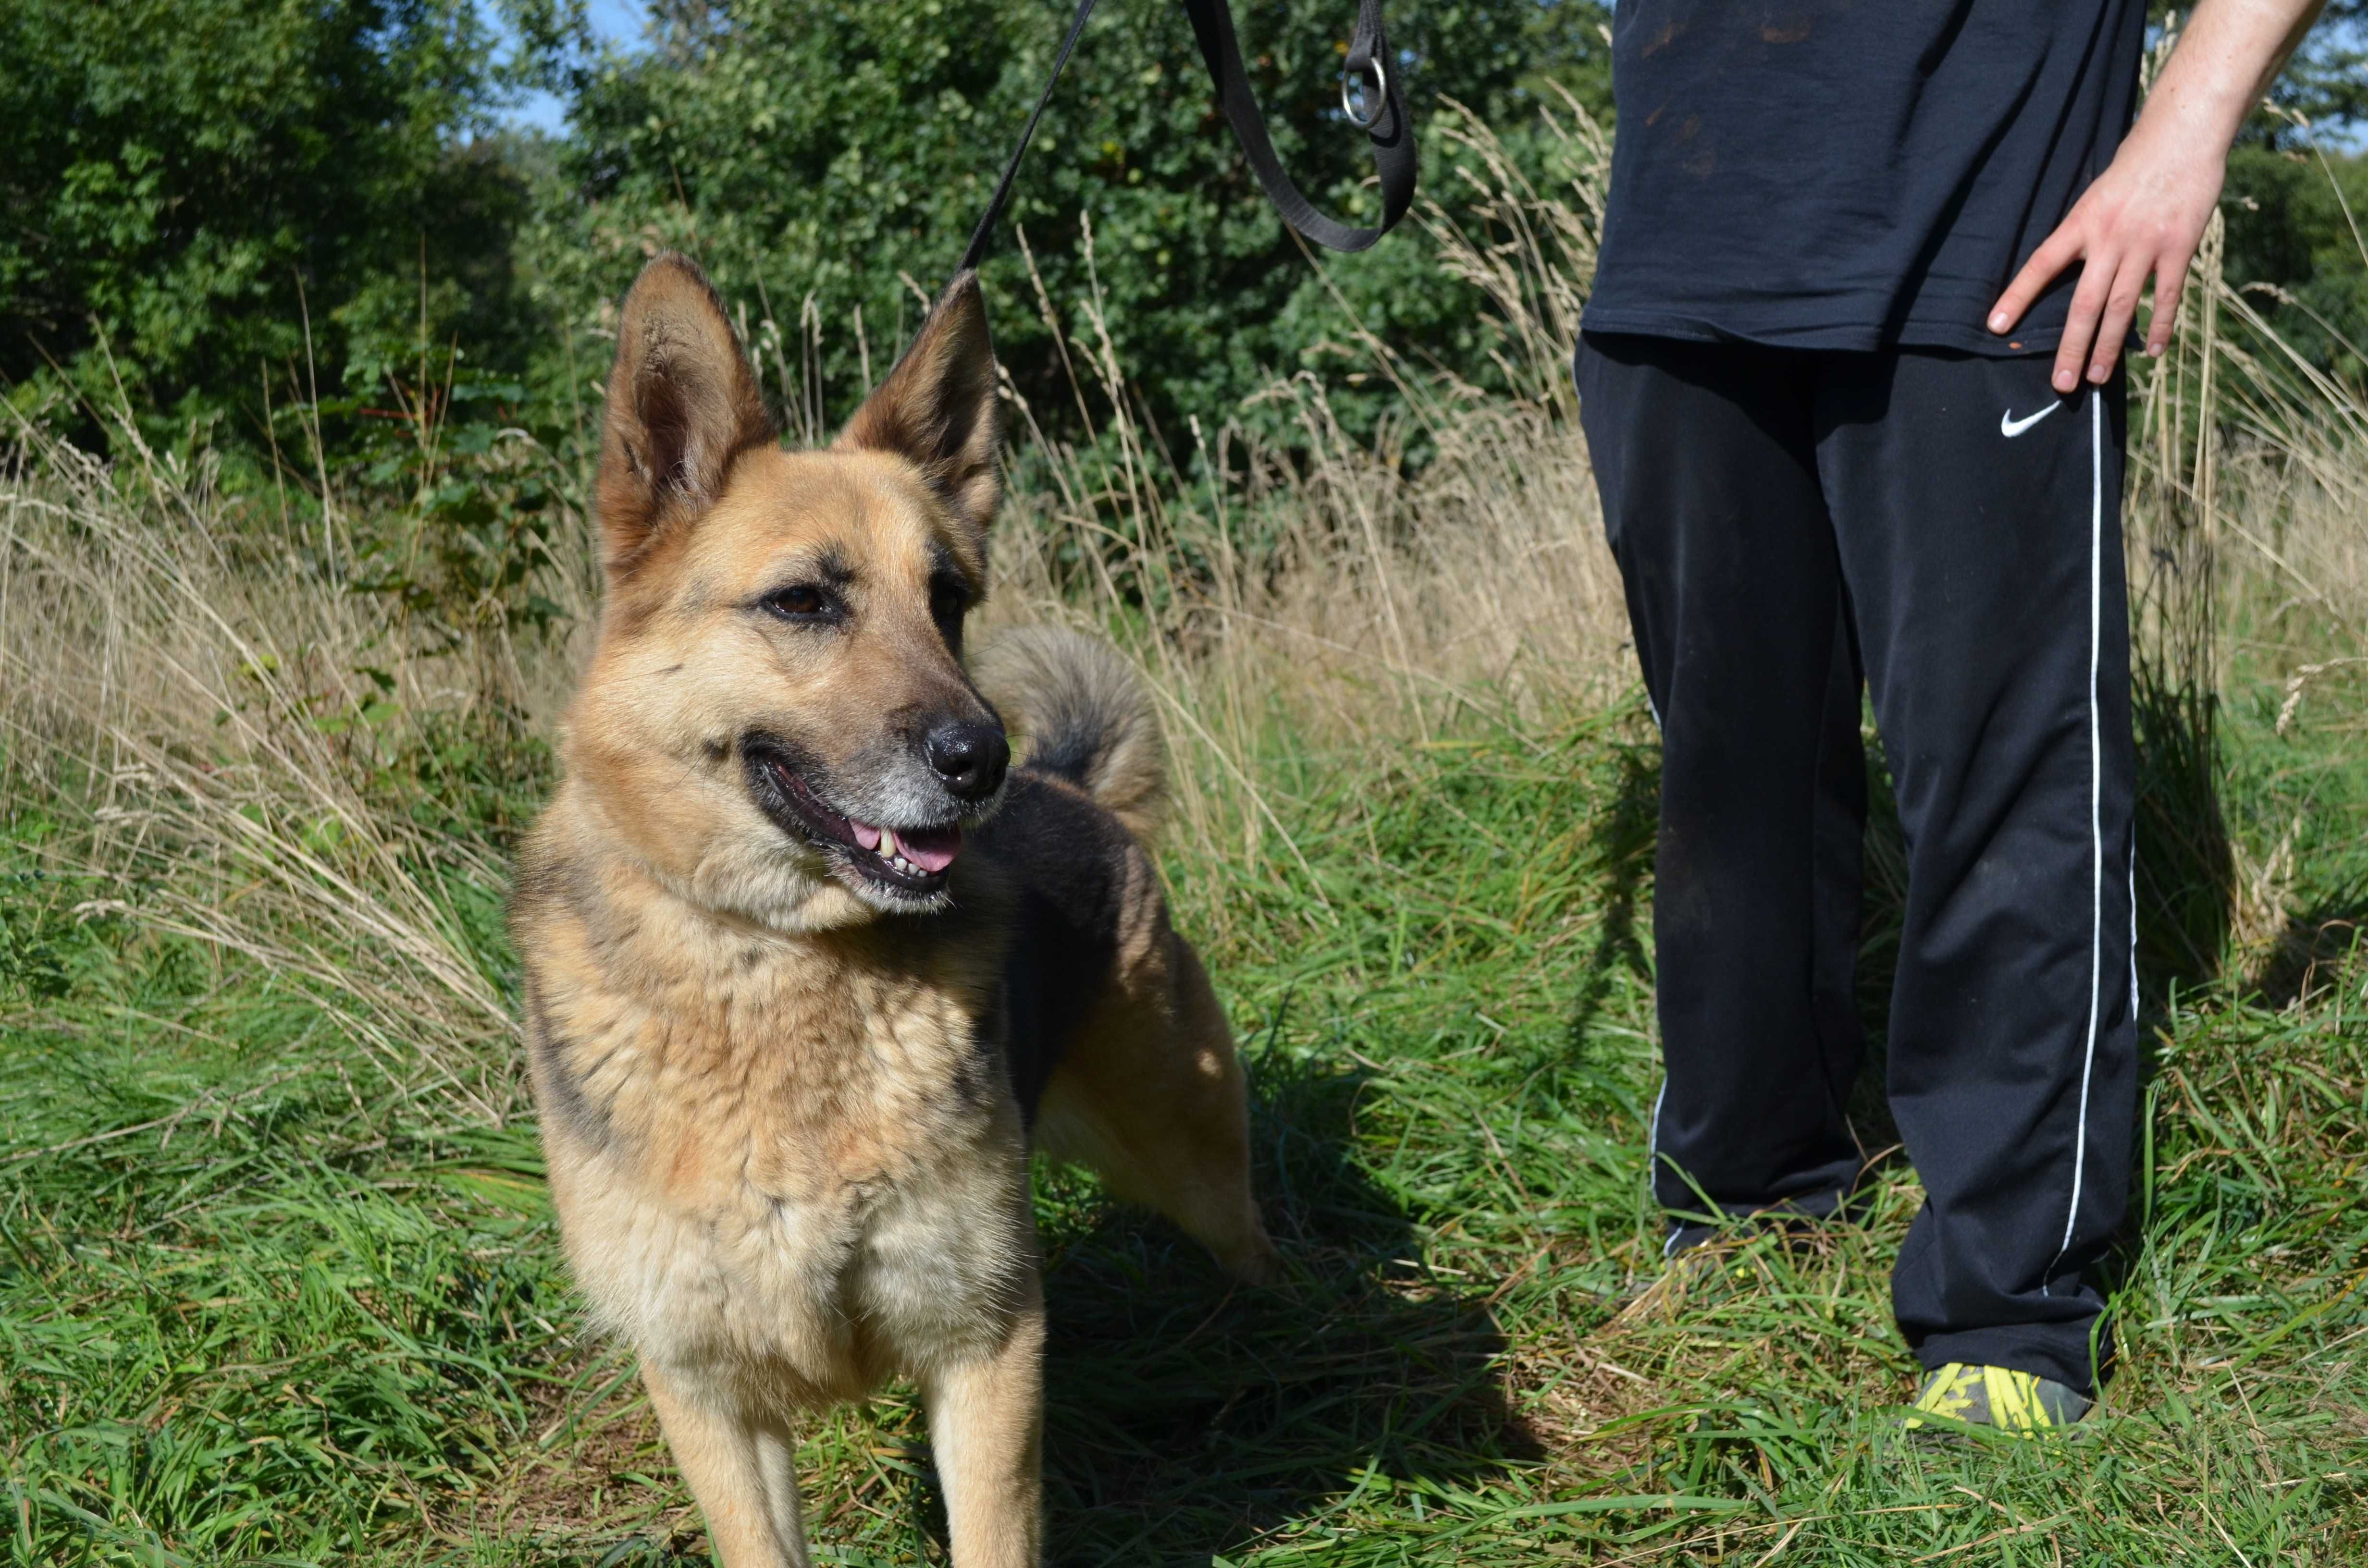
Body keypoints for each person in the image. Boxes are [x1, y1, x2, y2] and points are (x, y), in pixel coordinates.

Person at [1574, 0, 2330, 1433]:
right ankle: (1747, 1212)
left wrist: (2184, 131)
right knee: (1730, 783)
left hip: (1998, 250)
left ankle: (2009, 1309)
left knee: (2004, 788)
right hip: (1680, 262)